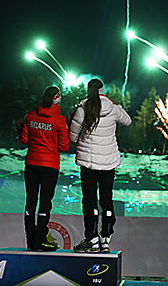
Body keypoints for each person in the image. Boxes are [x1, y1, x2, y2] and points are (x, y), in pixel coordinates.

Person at [69, 78, 131, 253]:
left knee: (90, 201)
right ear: (103, 90)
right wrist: (117, 107)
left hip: (88, 164)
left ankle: (92, 238)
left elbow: (73, 138)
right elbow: (128, 121)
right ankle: (106, 237)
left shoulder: (82, 109)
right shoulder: (113, 109)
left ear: (88, 90)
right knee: (106, 200)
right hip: (108, 163)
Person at [20, 86, 69, 251]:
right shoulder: (59, 120)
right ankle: (39, 240)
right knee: (45, 203)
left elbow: (24, 138)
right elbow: (64, 146)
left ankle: (30, 240)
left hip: (31, 163)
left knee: (30, 202)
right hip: (50, 165)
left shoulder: (30, 116)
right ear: (56, 98)